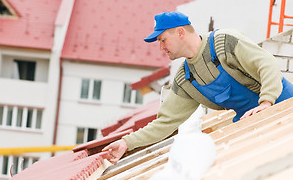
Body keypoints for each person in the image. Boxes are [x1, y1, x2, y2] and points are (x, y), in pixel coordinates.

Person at [103, 11, 293, 164]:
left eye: (162, 40)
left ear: (180, 33)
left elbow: (267, 64)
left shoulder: (224, 43)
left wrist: (267, 103)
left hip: (284, 108)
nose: (161, 48)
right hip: (250, 124)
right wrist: (127, 143)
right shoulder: (186, 79)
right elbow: (165, 123)